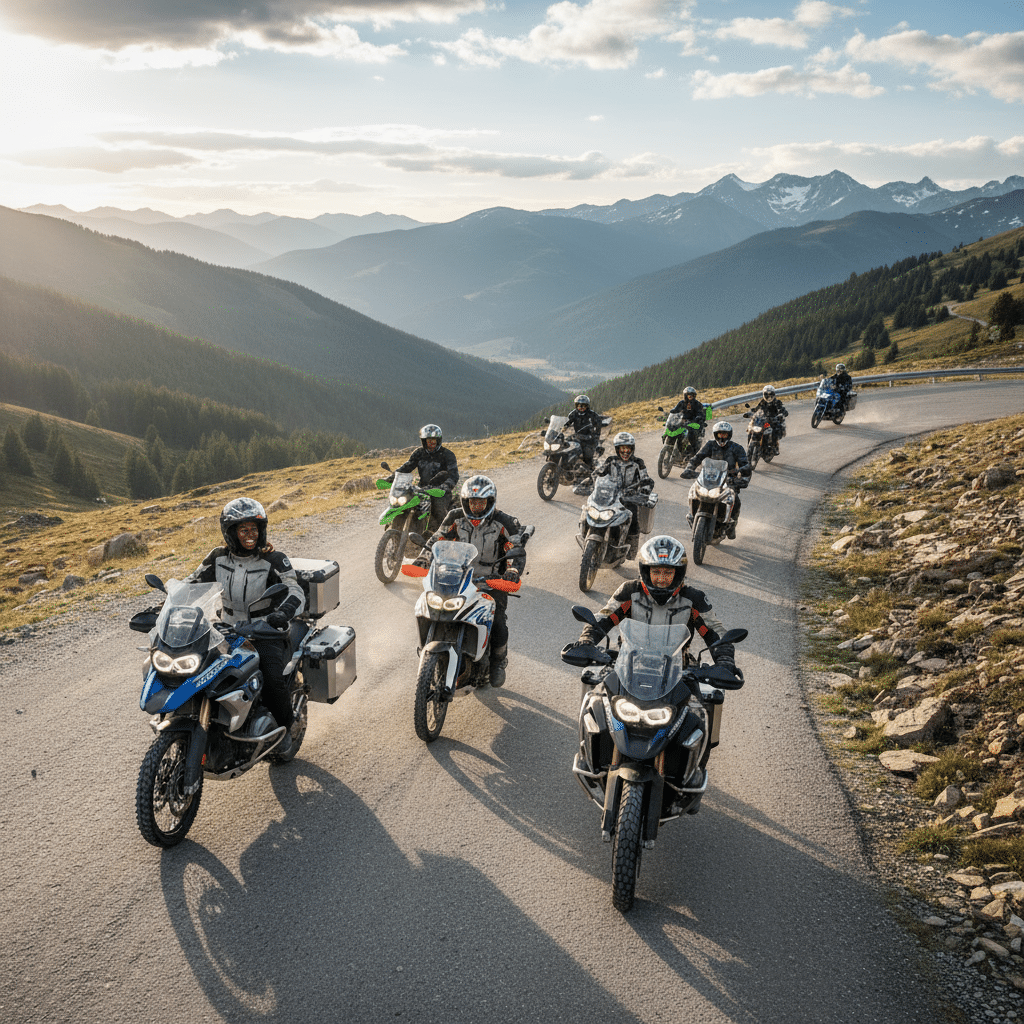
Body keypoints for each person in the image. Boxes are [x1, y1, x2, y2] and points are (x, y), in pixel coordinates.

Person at [567, 534, 738, 777]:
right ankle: (592, 757)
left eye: (668, 573)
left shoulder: (693, 599)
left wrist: (725, 660)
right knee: (595, 702)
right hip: (628, 664)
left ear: (679, 573)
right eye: (656, 572)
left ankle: (694, 771)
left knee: (700, 714)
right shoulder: (630, 591)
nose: (661, 579)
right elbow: (604, 617)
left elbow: (714, 632)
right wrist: (587, 639)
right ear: (645, 571)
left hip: (678, 669)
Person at [185, 497, 306, 753]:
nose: (250, 535)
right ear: (231, 533)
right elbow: (191, 584)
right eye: (243, 530)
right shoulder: (216, 557)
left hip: (265, 632)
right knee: (196, 672)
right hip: (225, 630)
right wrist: (167, 603)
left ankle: (287, 728)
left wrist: (282, 613)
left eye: (254, 529)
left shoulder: (274, 560)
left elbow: (296, 592)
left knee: (272, 679)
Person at [414, 475, 527, 688]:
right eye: (472, 502)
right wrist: (423, 557)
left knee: (499, 623)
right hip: (456, 577)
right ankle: (428, 650)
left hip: (491, 582)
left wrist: (512, 570)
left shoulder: (504, 522)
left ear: (490, 502)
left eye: (481, 502)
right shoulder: (455, 517)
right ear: (466, 502)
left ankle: (498, 662)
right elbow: (438, 539)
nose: (476, 507)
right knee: (433, 609)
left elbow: (515, 549)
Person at [681, 421, 751, 539]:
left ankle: (731, 525)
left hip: (729, 481)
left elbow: (745, 465)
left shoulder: (737, 448)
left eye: (724, 434)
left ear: (729, 435)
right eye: (720, 434)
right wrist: (689, 468)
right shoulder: (710, 445)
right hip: (709, 478)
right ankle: (692, 515)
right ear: (715, 434)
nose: (722, 437)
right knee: (694, 492)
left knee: (736, 501)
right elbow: (697, 458)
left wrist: (743, 477)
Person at [593, 431, 653, 559]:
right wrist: (592, 480)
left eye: (628, 448)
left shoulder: (638, 463)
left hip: (629, 498)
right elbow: (599, 473)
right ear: (617, 449)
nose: (625, 451)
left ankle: (631, 550)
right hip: (611, 496)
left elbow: (646, 480)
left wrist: (644, 492)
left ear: (632, 449)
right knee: (595, 513)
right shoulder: (611, 461)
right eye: (622, 448)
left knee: (633, 518)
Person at [395, 424, 459, 533]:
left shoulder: (447, 455)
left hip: (440, 491)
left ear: (438, 440)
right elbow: (407, 466)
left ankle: (447, 535)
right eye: (429, 441)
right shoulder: (419, 453)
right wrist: (394, 475)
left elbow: (454, 475)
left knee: (438, 512)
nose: (431, 443)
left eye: (434, 441)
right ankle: (396, 529)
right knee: (402, 505)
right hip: (422, 489)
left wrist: (445, 486)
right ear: (424, 441)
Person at [564, 395, 604, 475]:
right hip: (578, 436)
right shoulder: (573, 414)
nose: (581, 408)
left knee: (587, 455)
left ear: (587, 406)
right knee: (565, 446)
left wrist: (596, 435)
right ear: (576, 406)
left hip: (589, 438)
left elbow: (598, 424)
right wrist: (563, 427)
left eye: (583, 406)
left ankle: (590, 473)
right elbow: (567, 422)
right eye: (579, 406)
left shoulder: (592, 415)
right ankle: (567, 466)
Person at [750, 385, 788, 454]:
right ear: (764, 395)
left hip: (774, 420)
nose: (769, 397)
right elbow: (757, 408)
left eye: (771, 395)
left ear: (774, 394)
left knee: (775, 431)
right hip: (764, 419)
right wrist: (752, 411)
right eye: (767, 395)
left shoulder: (777, 402)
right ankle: (754, 441)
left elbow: (782, 408)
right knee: (755, 427)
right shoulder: (762, 402)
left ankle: (775, 447)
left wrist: (783, 412)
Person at [668, 386, 708, 453]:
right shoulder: (681, 403)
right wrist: (670, 413)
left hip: (693, 422)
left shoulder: (697, 404)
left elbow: (700, 413)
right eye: (688, 395)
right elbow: (676, 410)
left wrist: (698, 417)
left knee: (690, 435)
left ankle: (691, 451)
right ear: (685, 395)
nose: (690, 397)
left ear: (694, 396)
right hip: (682, 421)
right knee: (675, 430)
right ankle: (674, 447)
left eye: (692, 395)